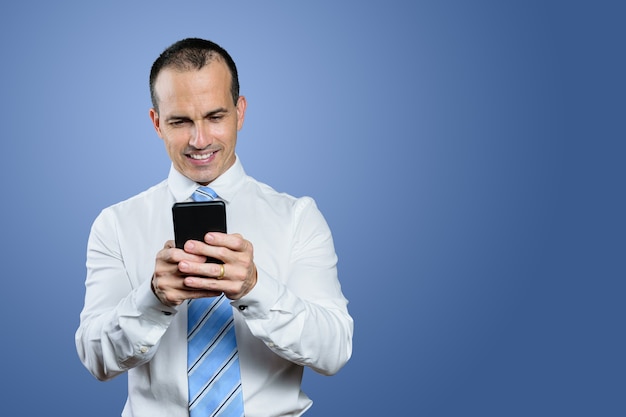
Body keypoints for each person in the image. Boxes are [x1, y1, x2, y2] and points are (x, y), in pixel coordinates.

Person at [75, 38, 353, 417]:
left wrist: (256, 288)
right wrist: (152, 299)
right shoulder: (116, 224)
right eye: (180, 121)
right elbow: (95, 358)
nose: (199, 140)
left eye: (215, 117)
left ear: (240, 112)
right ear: (157, 123)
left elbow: (333, 351)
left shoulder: (298, 218)